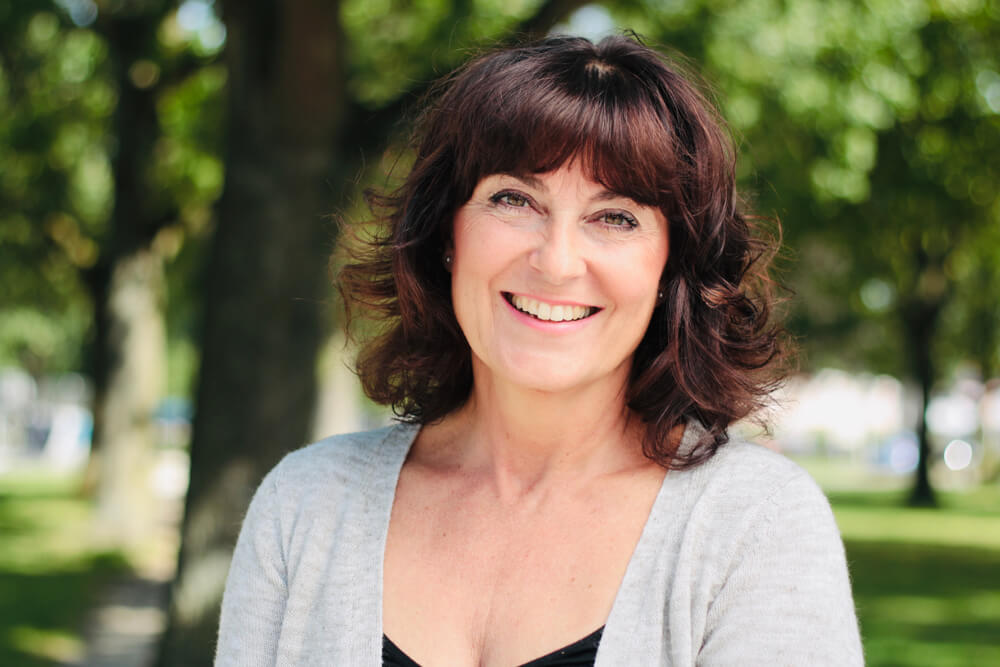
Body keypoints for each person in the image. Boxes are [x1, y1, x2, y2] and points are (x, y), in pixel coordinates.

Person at [216, 34, 863, 666]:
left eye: (615, 217)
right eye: (514, 199)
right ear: (448, 233)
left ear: (671, 268)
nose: (555, 262)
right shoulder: (304, 505)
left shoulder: (756, 526)